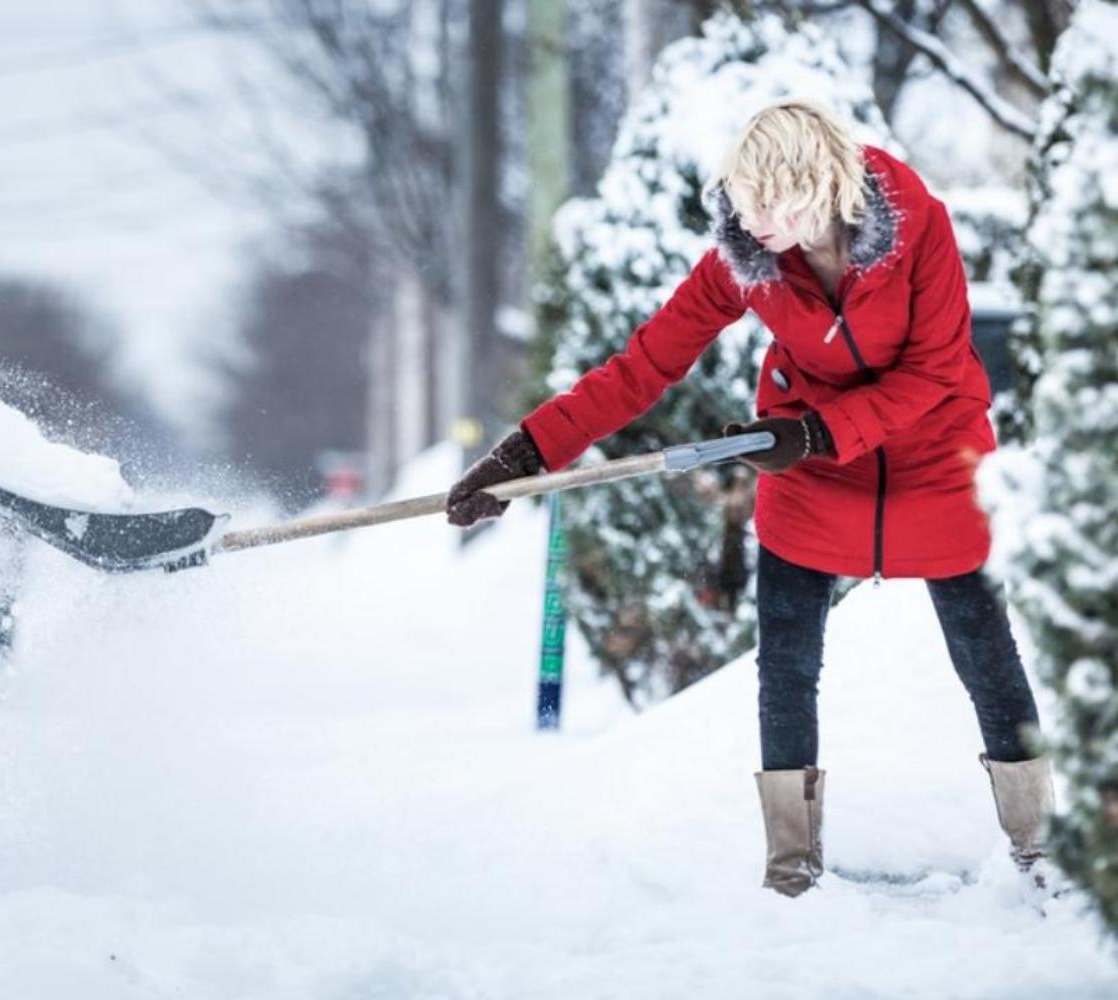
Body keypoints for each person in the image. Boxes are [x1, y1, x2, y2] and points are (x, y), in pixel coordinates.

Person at [446, 97, 1059, 899]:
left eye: (773, 199)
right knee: (787, 663)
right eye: (743, 197)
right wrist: (524, 454)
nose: (752, 217)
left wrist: (813, 434)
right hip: (809, 459)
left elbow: (937, 370)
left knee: (987, 656)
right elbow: (644, 366)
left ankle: (1041, 848)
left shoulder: (919, 227)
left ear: (825, 185)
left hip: (931, 449)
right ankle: (792, 867)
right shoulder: (747, 258)